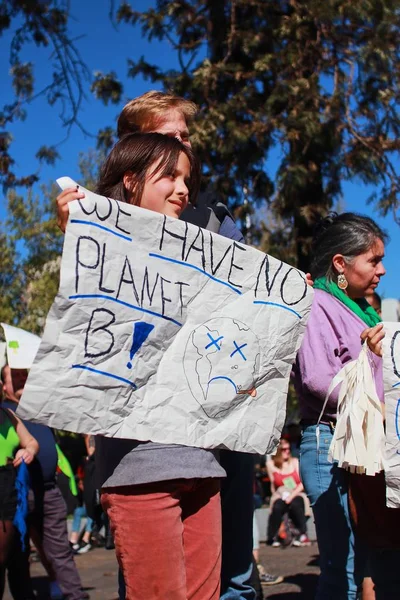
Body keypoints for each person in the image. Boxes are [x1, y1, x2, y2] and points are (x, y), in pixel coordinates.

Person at [56, 90, 261, 600]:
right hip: (140, 462)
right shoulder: (99, 233)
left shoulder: (215, 220)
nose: (182, 182)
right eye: (167, 148)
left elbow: (243, 309)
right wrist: (80, 235)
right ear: (133, 155)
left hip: (207, 453)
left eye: (185, 147)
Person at [293, 212, 386, 599]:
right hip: (329, 442)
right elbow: (316, 376)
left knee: (365, 556)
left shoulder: (363, 312)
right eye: (374, 260)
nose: (382, 270)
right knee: (341, 563)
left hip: (363, 444)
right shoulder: (316, 304)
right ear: (340, 264)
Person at [2, 364, 87, 600]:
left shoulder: (38, 410)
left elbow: (43, 445)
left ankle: (74, 596)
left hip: (48, 491)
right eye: (14, 376)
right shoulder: (5, 412)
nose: (21, 380)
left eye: (24, 375)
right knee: (18, 557)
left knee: (60, 552)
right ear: (4, 384)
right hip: (15, 495)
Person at [0, 386, 38, 600]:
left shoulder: (8, 414)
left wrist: (27, 451)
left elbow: (31, 442)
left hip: (11, 486)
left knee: (17, 557)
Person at [266, 439, 310, 548]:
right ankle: (273, 535)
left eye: (288, 449)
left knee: (296, 504)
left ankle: (301, 533)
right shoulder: (270, 464)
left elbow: (302, 483)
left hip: (296, 492)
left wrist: (291, 495)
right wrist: (276, 495)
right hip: (280, 493)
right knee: (277, 506)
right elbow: (273, 484)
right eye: (284, 449)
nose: (287, 451)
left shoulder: (295, 462)